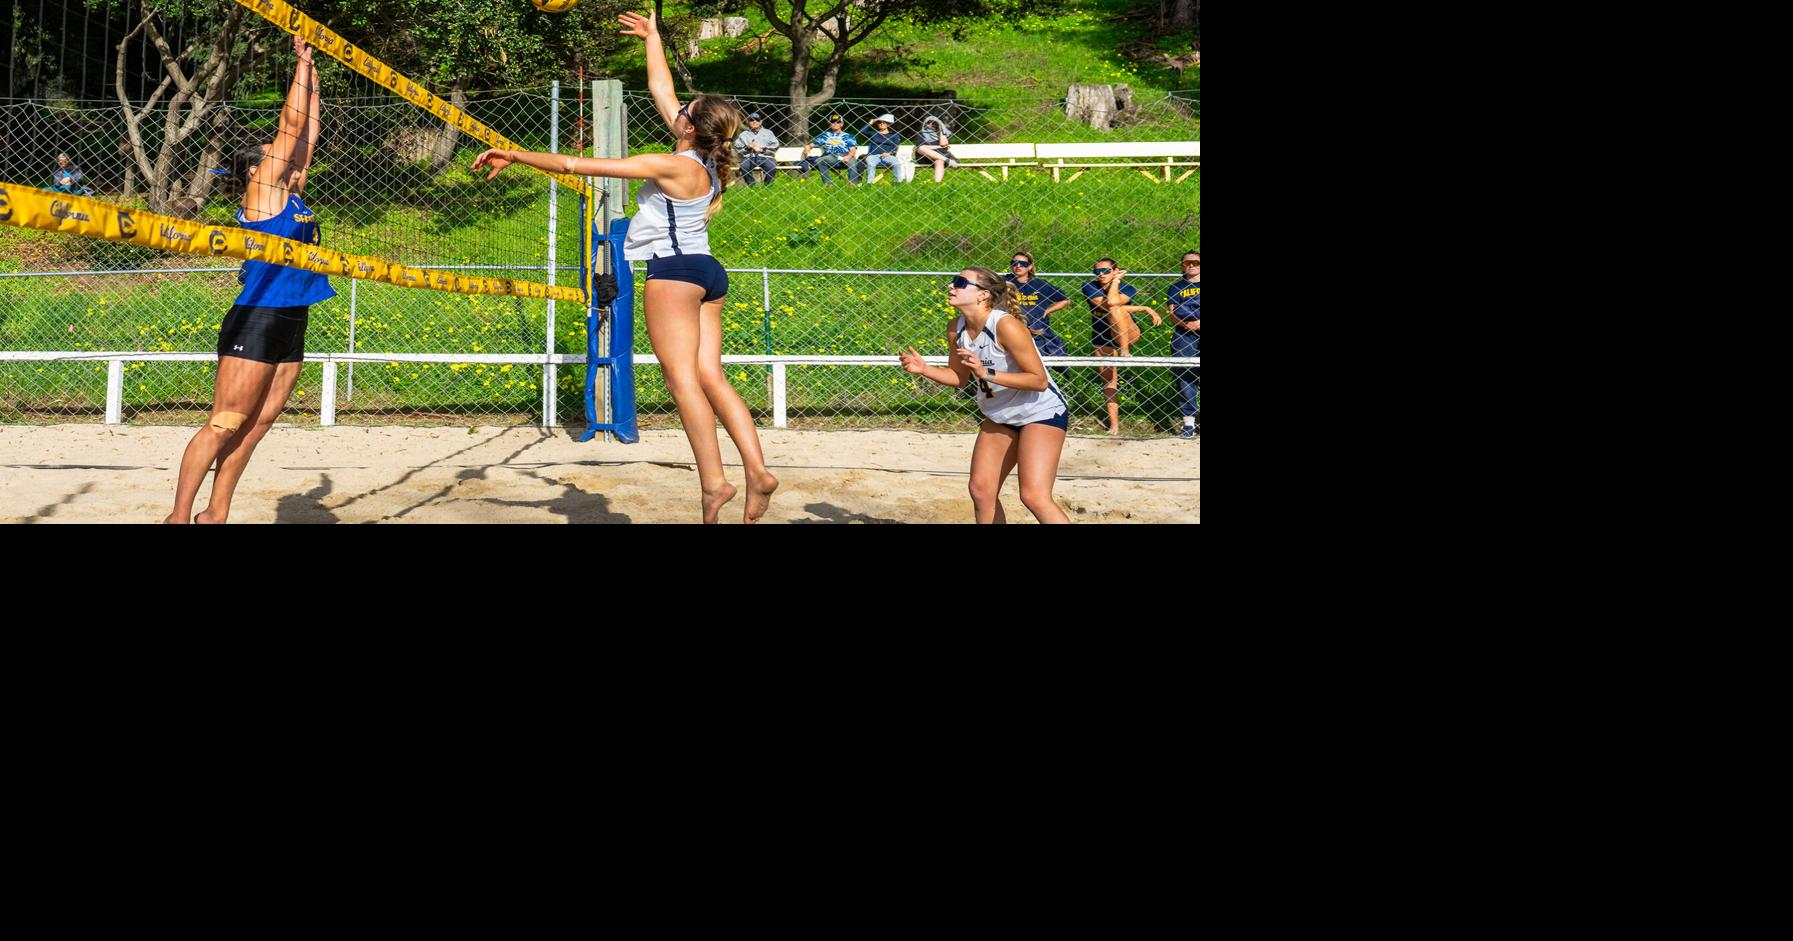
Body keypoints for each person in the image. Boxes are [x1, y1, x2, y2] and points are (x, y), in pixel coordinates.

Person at [474, 10, 777, 524]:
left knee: (682, 383)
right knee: (711, 376)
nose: (675, 108)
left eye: (684, 109)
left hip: (674, 273)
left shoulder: (671, 163)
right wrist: (652, 38)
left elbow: (576, 165)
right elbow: (662, 89)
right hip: (708, 271)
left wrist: (516, 154)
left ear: (690, 126)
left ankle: (714, 484)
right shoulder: (701, 158)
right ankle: (758, 470)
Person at [166, 36, 330, 523]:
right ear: (256, 169)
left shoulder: (292, 195)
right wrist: (298, 63)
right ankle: (178, 517)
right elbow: (292, 126)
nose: (290, 158)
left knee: (256, 427)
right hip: (256, 318)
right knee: (225, 423)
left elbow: (308, 133)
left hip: (291, 316)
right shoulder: (262, 194)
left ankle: (215, 514)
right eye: (274, 154)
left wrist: (314, 72)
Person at [898, 266, 1072, 524]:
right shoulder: (955, 328)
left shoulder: (1005, 325)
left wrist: (987, 373)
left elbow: (1038, 381)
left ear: (983, 295)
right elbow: (959, 378)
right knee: (981, 491)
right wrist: (925, 369)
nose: (951, 286)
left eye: (960, 282)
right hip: (1001, 414)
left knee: (1034, 496)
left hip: (1040, 412)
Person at [1081, 258, 1160, 435]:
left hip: (1127, 332)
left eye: (1107, 270)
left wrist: (1116, 282)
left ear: (1116, 270)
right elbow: (1108, 303)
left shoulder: (1128, 288)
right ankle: (1114, 425)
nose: (1101, 274)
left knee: (1116, 309)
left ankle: (1125, 351)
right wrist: (1144, 308)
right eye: (1097, 271)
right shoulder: (1089, 287)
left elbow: (1114, 304)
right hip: (1102, 336)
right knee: (1109, 380)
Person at [1003, 251, 1071, 377]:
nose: (1018, 266)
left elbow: (1065, 300)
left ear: (1030, 267)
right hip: (1012, 329)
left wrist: (1048, 311)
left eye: (1023, 263)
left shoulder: (1040, 285)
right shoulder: (1004, 282)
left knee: (1037, 365)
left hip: (1037, 330)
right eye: (1014, 263)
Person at [1168, 251, 1200, 437]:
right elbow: (1172, 313)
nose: (1191, 265)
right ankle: (1189, 424)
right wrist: (1187, 325)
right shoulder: (1176, 287)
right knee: (1185, 375)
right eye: (1187, 263)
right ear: (1182, 265)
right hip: (1184, 335)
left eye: (1195, 262)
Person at [800, 113, 857, 185]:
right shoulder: (825, 135)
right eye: (833, 122)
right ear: (829, 124)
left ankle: (852, 185)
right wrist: (808, 147)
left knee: (852, 162)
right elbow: (813, 144)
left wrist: (848, 157)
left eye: (838, 122)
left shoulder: (849, 136)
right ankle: (828, 184)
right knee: (819, 161)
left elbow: (853, 150)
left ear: (841, 124)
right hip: (832, 157)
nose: (835, 124)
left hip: (845, 155)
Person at [858, 113, 910, 184]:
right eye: (879, 122)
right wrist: (871, 122)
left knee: (897, 163)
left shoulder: (894, 135)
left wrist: (890, 153)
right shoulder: (873, 133)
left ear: (888, 124)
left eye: (884, 122)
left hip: (887, 155)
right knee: (871, 164)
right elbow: (861, 131)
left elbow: (895, 147)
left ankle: (897, 182)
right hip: (873, 155)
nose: (881, 124)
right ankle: (869, 183)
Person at [734, 111, 779, 186]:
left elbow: (776, 145)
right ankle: (752, 186)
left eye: (757, 120)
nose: (754, 121)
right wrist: (748, 147)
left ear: (761, 122)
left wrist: (762, 150)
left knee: (771, 166)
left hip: (766, 157)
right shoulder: (743, 134)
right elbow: (737, 147)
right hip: (749, 157)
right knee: (744, 166)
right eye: (751, 120)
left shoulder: (769, 133)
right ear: (748, 122)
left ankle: (768, 186)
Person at [916, 114, 959, 182]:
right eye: (929, 122)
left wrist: (941, 131)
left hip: (940, 155)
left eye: (934, 123)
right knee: (921, 148)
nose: (931, 125)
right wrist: (938, 146)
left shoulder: (945, 134)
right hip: (925, 157)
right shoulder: (922, 134)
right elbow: (921, 147)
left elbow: (944, 144)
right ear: (925, 123)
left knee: (939, 161)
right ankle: (947, 160)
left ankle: (937, 183)